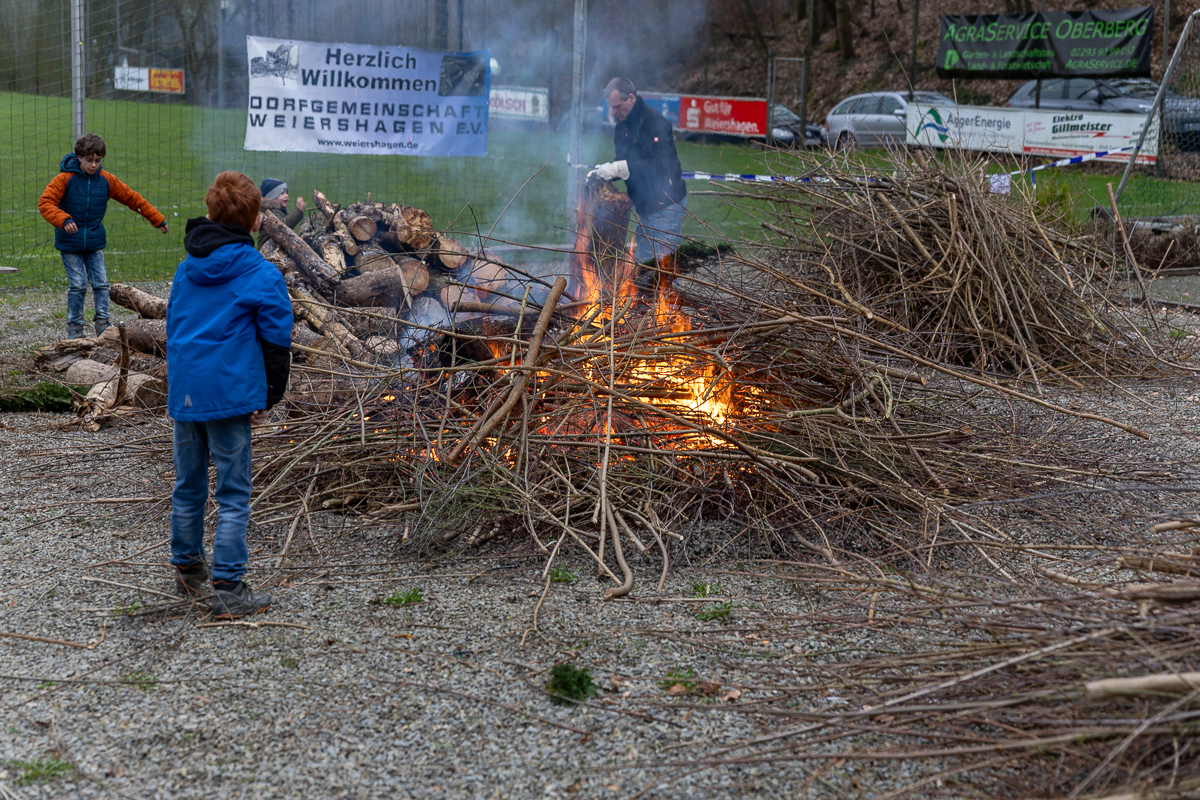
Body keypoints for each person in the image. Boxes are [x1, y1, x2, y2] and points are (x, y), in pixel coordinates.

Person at [167, 171, 293, 619]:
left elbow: (176, 328)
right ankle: (228, 587)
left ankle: (186, 569)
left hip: (186, 395)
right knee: (234, 492)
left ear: (210, 213)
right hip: (230, 396)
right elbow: (277, 343)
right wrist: (269, 396)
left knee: (188, 485)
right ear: (256, 220)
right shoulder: (261, 273)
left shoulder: (186, 268)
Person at [38, 133, 169, 339]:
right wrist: (64, 220)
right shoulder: (64, 179)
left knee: (101, 283)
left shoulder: (106, 180)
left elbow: (132, 199)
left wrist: (157, 219)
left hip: (94, 241)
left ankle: (103, 324)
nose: (93, 165)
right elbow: (45, 202)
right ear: (79, 157)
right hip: (70, 242)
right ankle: (74, 328)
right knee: (78, 285)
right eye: (89, 160)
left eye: (98, 160)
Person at [589, 77, 688, 282]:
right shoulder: (622, 126)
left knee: (660, 269)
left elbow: (658, 164)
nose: (614, 112)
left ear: (631, 98)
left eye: (617, 106)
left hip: (666, 203)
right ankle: (656, 309)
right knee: (647, 267)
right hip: (646, 206)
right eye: (611, 107)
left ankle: (669, 311)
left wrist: (620, 168)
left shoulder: (654, 123)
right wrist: (602, 174)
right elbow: (623, 162)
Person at [256, 178, 306, 250]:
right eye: (282, 193)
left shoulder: (280, 210)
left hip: (275, 249)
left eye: (286, 192)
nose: (286, 196)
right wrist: (298, 212)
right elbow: (283, 225)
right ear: (272, 197)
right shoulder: (270, 213)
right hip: (267, 251)